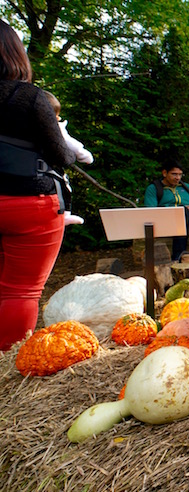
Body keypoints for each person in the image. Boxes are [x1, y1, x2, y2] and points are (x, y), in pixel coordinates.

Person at [0, 19, 75, 351]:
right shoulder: (30, 98)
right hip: (28, 203)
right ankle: (8, 359)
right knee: (21, 291)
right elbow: (61, 156)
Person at [144, 161, 189, 262]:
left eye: (180, 174)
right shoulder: (153, 188)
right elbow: (151, 210)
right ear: (164, 173)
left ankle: (177, 257)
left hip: (186, 220)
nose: (178, 178)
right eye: (174, 174)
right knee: (181, 212)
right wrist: (176, 209)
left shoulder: (186, 187)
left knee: (182, 216)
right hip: (164, 221)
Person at [44, 91, 92, 227]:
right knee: (65, 189)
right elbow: (72, 144)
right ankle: (65, 215)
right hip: (50, 174)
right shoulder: (56, 128)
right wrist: (85, 156)